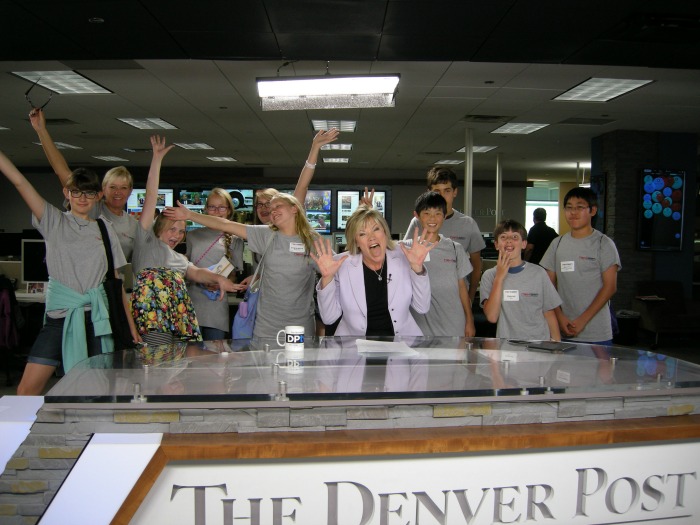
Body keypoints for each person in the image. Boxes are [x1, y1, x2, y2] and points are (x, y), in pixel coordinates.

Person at [0, 151, 139, 395]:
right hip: (60, 317)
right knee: (27, 390)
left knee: (98, 391)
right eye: (76, 191)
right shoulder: (53, 220)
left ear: (98, 196)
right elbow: (20, 181)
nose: (82, 198)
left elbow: (119, 282)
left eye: (88, 193)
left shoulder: (104, 228)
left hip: (97, 318)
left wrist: (131, 328)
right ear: (67, 193)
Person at [131, 136, 240, 346]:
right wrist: (156, 159)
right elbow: (151, 196)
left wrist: (219, 280)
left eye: (181, 231)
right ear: (158, 227)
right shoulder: (146, 242)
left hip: (177, 321)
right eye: (171, 229)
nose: (177, 235)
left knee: (177, 370)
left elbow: (196, 272)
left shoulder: (176, 257)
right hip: (153, 321)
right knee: (158, 368)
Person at [165, 192, 321, 338]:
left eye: (277, 206)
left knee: (298, 365)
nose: (272, 211)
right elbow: (225, 225)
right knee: (263, 365)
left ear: (294, 208)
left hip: (300, 323)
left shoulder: (312, 241)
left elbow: (334, 269)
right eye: (270, 208)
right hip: (266, 324)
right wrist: (190, 215)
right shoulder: (265, 234)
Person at [29, 108, 138, 261]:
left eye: (123, 188)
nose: (117, 192)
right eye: (112, 187)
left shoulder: (133, 225)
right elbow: (62, 171)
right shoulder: (90, 206)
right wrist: (41, 130)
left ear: (130, 191)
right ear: (102, 190)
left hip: (113, 281)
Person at [312, 205, 434, 337]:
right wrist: (327, 278)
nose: (371, 237)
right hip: (354, 348)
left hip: (402, 344)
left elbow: (422, 307)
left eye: (376, 229)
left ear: (385, 232)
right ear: (356, 242)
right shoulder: (341, 265)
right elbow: (329, 318)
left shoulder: (404, 256)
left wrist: (417, 269)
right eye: (362, 234)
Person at [539, 187, 621, 345]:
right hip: (563, 327)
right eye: (569, 207)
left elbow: (610, 287)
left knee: (600, 370)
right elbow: (548, 286)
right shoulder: (557, 243)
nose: (573, 212)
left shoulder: (604, 244)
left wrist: (582, 321)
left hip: (597, 332)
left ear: (593, 210)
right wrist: (560, 317)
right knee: (564, 370)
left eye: (580, 207)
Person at [404, 167, 485, 305]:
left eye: (447, 190)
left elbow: (476, 266)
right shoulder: (417, 222)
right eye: (437, 191)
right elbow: (405, 258)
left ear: (455, 192)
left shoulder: (468, 224)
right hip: (423, 296)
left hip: (455, 299)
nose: (442, 196)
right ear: (429, 192)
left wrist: (470, 298)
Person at [403, 191, 475, 337]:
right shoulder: (405, 249)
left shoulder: (455, 248)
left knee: (453, 359)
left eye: (437, 213)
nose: (432, 218)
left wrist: (470, 320)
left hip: (453, 324)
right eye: (427, 213)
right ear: (416, 215)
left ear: (444, 215)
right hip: (419, 327)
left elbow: (462, 288)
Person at [480, 220, 562, 341]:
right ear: (496, 244)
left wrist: (557, 346)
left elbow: (549, 313)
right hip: (507, 349)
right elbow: (492, 317)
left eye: (515, 237)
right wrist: (499, 277)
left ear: (524, 244)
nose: (509, 240)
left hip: (538, 345)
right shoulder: (489, 276)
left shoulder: (539, 273)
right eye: (503, 237)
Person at [186, 188, 245, 341]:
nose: (216, 211)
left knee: (214, 358)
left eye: (221, 207)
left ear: (229, 210)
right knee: (191, 357)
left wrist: (222, 283)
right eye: (212, 207)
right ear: (205, 209)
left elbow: (234, 275)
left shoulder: (236, 239)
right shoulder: (192, 236)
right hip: (191, 304)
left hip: (217, 305)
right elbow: (185, 268)